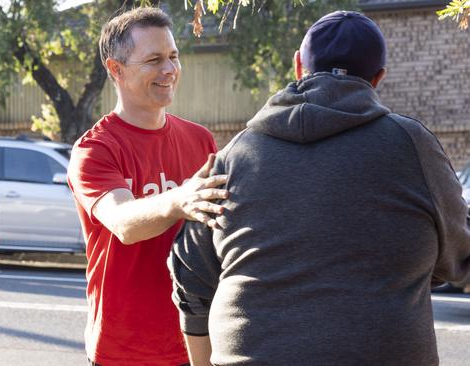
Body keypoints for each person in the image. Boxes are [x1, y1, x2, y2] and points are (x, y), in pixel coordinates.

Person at [170, 10, 470, 366]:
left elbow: (190, 275)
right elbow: (460, 256)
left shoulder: (234, 155)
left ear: (298, 66)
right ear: (378, 77)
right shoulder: (411, 145)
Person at [67, 7, 228, 366]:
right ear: (116, 69)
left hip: (197, 343)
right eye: (154, 60)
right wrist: (180, 199)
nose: (169, 70)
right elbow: (123, 223)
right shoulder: (95, 149)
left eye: (173, 56)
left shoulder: (200, 139)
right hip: (124, 350)